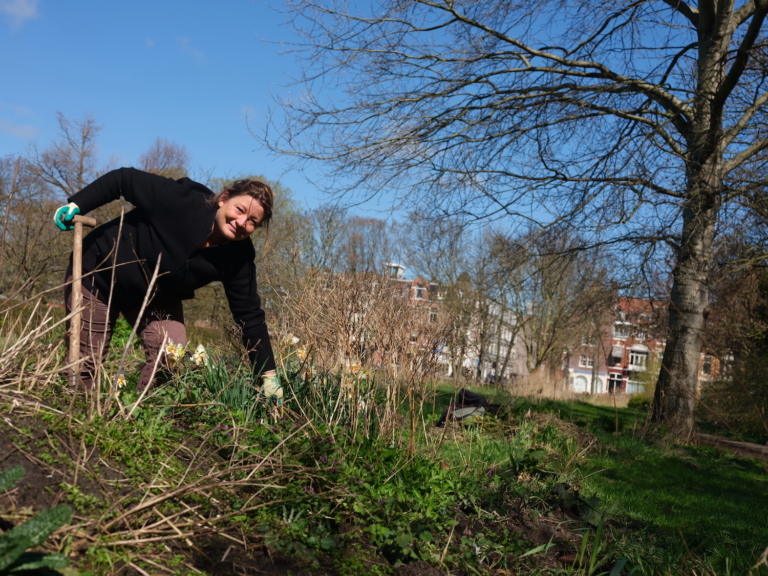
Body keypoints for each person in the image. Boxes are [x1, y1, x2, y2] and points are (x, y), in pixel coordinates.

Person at [54, 167, 278, 394]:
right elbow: (124, 179)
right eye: (239, 210)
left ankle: (140, 414)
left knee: (170, 356)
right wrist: (78, 204)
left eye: (252, 221)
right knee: (86, 364)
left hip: (156, 297)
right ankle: (77, 414)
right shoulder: (181, 201)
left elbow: (248, 315)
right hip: (98, 276)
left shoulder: (238, 256)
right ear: (224, 199)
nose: (241, 222)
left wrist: (268, 375)